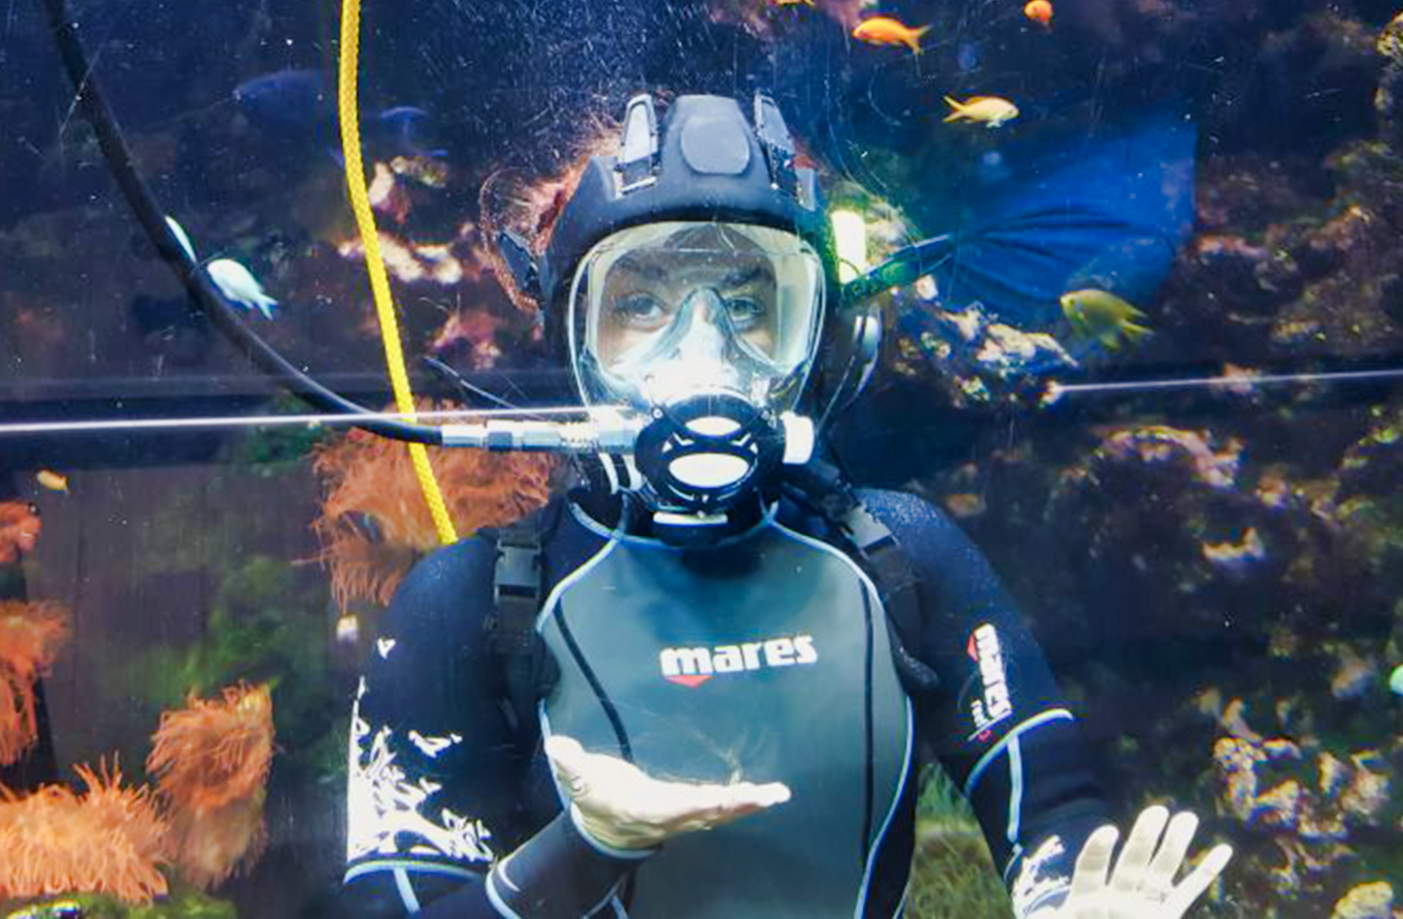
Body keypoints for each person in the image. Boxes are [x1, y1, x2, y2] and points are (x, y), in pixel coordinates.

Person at [338, 93, 1232, 919]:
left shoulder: (904, 554)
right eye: (643, 302)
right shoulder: (468, 600)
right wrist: (587, 847)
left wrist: (1074, 901)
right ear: (574, 327)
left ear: (812, 333)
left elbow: (1056, 810)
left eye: (745, 303)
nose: (703, 351)